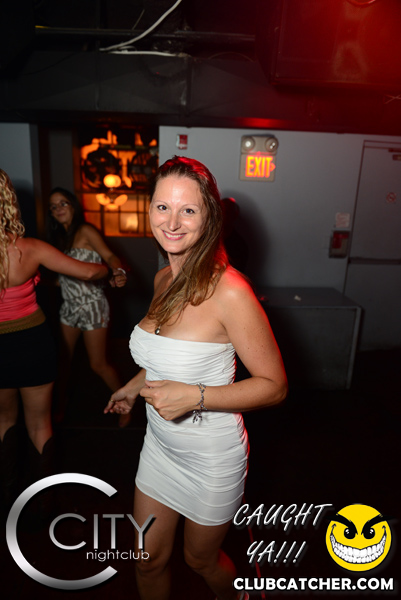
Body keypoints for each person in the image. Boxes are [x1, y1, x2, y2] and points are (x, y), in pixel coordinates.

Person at [104, 156, 288, 600]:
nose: (172, 222)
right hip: (159, 448)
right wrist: (132, 387)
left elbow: (275, 386)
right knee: (147, 560)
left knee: (200, 560)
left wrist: (195, 396)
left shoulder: (231, 291)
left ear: (209, 218)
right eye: (162, 207)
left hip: (211, 458)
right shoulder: (162, 279)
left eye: (188, 210)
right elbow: (166, 358)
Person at [0, 169, 109, 505]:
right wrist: (108, 270)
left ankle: (7, 496)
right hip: (32, 344)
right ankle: (41, 504)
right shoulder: (30, 249)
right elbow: (90, 271)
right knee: (39, 423)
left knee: (3, 421)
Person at [46, 187, 128, 423]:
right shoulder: (60, 239)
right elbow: (66, 276)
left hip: (92, 305)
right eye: (53, 206)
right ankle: (59, 408)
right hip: (69, 307)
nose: (58, 209)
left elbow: (109, 257)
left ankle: (126, 404)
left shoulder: (85, 230)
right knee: (63, 361)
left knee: (98, 364)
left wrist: (119, 271)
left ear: (73, 205)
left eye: (63, 203)